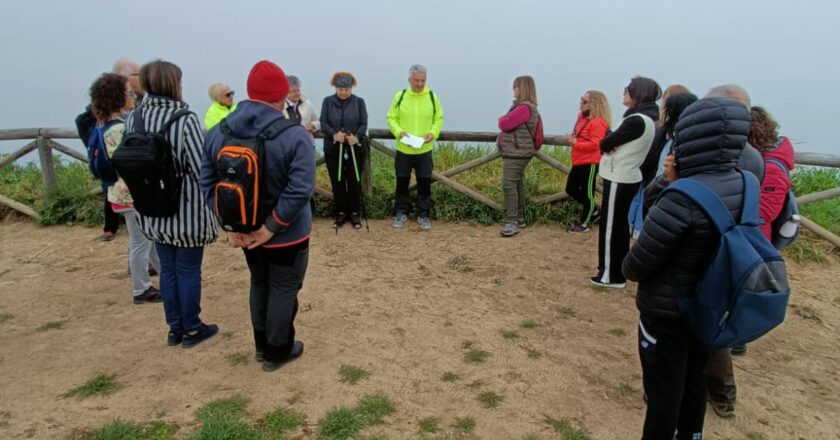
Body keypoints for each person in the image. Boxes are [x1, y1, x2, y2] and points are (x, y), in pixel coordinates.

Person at [622, 97, 753, 439]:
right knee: (694, 381)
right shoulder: (746, 184)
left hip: (668, 312)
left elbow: (635, 265)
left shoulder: (683, 198)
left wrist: (670, 182)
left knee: (664, 394)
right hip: (712, 305)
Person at [201, 60, 314, 371]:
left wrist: (230, 226)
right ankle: (278, 351)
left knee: (259, 284)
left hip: (242, 231)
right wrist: (270, 227)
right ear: (281, 96)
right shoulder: (294, 136)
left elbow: (206, 183)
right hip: (287, 233)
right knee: (283, 288)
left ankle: (261, 348)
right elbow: (299, 190)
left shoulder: (218, 131)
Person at [125, 60, 219, 348]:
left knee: (167, 268)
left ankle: (174, 327)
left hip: (151, 206)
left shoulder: (135, 118)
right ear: (171, 84)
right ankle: (192, 328)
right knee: (188, 269)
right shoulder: (184, 119)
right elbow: (199, 165)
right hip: (186, 208)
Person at [89, 72, 161, 304]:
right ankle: (141, 288)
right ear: (117, 97)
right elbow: (133, 161)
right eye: (129, 92)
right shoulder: (120, 129)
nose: (133, 96)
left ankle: (164, 274)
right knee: (141, 241)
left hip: (118, 192)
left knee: (146, 237)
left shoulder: (103, 126)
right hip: (131, 192)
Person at [591, 77, 660, 289]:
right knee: (618, 224)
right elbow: (612, 140)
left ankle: (610, 276)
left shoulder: (637, 120)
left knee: (611, 226)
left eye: (626, 90)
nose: (623, 93)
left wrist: (609, 144)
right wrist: (611, 142)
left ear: (636, 94)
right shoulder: (645, 119)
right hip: (625, 176)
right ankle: (613, 269)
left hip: (620, 175)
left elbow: (607, 142)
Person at [629, 85, 693, 237]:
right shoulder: (664, 133)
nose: (662, 107)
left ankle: (638, 230)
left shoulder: (679, 138)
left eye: (665, 103)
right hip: (652, 184)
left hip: (665, 191)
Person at [386, 64, 444, 230]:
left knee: (425, 182)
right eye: (416, 80)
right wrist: (399, 132)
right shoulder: (401, 96)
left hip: (424, 149)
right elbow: (391, 118)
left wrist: (433, 133)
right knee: (402, 182)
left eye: (423, 80)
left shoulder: (432, 97)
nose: (420, 84)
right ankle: (401, 212)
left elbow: (438, 118)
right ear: (409, 79)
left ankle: (423, 214)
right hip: (404, 149)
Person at [320, 72, 368, 228]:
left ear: (351, 88)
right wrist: (334, 135)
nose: (343, 92)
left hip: (354, 148)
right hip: (334, 148)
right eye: (340, 89)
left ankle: (354, 213)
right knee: (337, 180)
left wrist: (357, 136)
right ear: (335, 88)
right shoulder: (327, 102)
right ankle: (340, 212)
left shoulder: (359, 102)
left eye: (347, 89)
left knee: (354, 181)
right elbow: (323, 122)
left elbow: (363, 123)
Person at [638, 93, 698, 218]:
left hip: (668, 198)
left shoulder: (681, 142)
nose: (662, 113)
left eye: (665, 109)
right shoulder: (665, 136)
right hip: (657, 194)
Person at [496, 76, 541, 237]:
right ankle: (519, 218)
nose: (514, 89)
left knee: (508, 185)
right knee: (517, 184)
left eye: (516, 86)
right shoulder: (526, 107)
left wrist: (502, 118)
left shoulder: (523, 108)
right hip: (520, 151)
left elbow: (505, 124)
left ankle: (512, 220)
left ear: (523, 88)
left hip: (517, 152)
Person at [565, 90, 611, 233]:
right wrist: (574, 139)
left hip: (590, 162)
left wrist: (575, 143)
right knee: (571, 189)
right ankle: (594, 210)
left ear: (594, 104)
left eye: (584, 101)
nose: (581, 103)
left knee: (588, 193)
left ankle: (584, 223)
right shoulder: (583, 119)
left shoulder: (598, 123)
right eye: (581, 100)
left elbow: (596, 144)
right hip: (579, 160)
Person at [285, 75, 320, 141]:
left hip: (306, 143)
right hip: (287, 145)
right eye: (293, 91)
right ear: (286, 92)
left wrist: (313, 125)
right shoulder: (280, 107)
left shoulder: (307, 104)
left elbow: (318, 121)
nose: (297, 93)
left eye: (298, 90)